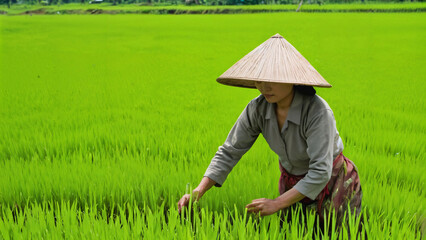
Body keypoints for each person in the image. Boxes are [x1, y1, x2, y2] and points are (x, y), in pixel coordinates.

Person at [177, 34, 362, 227]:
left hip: (333, 182)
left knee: (334, 232)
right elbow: (229, 151)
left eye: (273, 79)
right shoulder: (257, 109)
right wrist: (198, 191)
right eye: (259, 80)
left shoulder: (316, 112)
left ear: (292, 78)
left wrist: (276, 203)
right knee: (292, 232)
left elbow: (320, 172)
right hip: (292, 182)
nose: (264, 87)